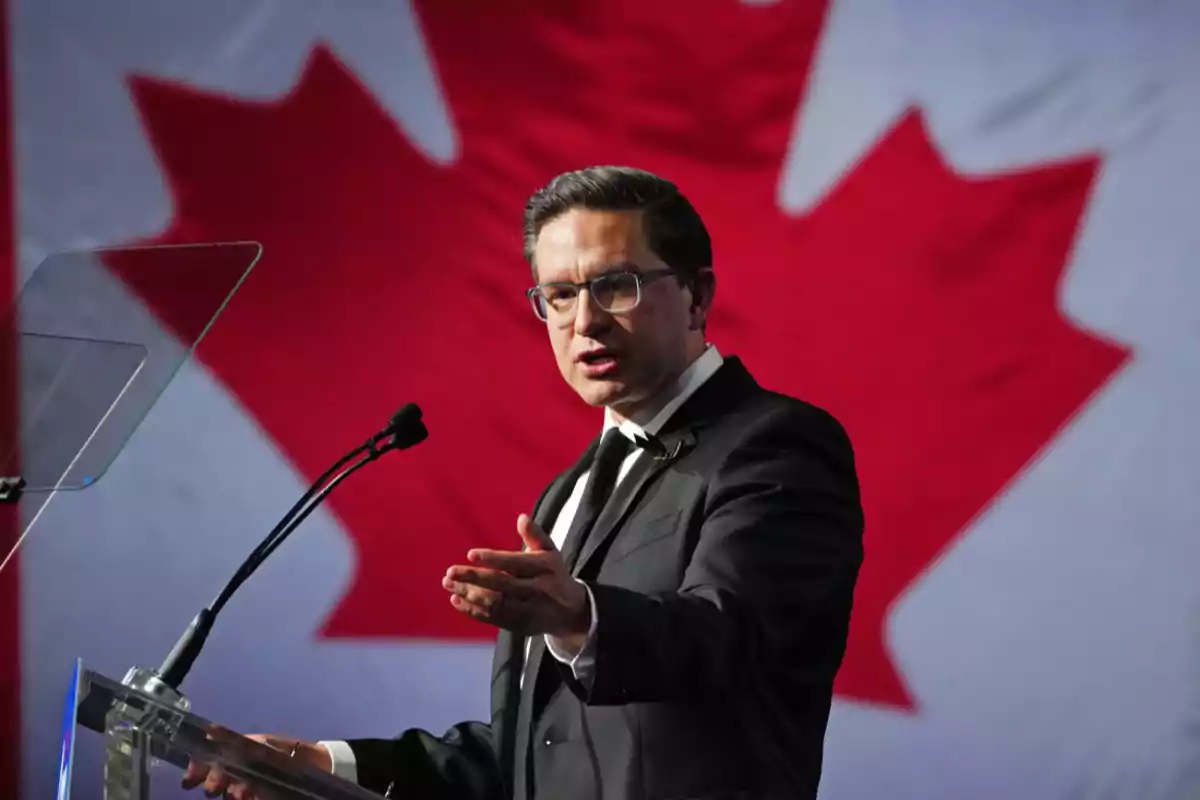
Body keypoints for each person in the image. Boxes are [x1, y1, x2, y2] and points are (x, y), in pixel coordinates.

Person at [184, 166, 864, 799]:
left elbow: (733, 640)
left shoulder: (773, 443)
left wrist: (580, 615)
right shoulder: (567, 493)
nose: (585, 321)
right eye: (560, 295)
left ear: (697, 296)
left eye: (616, 285)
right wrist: (325, 767)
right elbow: (531, 753)